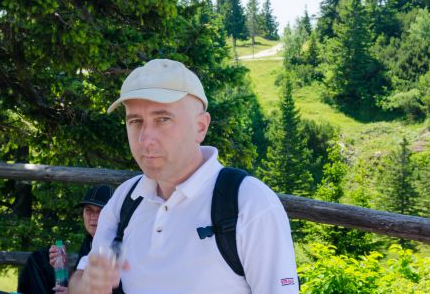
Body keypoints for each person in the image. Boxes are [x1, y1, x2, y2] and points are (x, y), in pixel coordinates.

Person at [69, 59, 299, 294]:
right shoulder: (125, 200)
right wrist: (88, 284)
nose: (145, 139)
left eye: (163, 119)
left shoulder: (249, 203)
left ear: (201, 127)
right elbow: (79, 281)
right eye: (135, 121)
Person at [17, 185, 114, 294]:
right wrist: (62, 266)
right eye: (88, 210)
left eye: (100, 211)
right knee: (39, 258)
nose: (93, 217)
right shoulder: (89, 241)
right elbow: (80, 280)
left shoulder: (114, 244)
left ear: (112, 215)